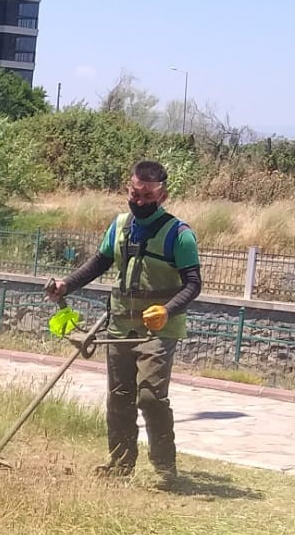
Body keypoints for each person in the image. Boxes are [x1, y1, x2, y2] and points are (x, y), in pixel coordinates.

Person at [45, 160, 203, 483]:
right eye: (135, 193)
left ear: (163, 195)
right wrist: (66, 285)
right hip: (119, 326)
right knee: (119, 396)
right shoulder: (119, 225)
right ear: (128, 189)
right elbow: (99, 263)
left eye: (148, 195)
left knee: (149, 396)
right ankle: (119, 464)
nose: (140, 201)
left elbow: (193, 284)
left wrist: (168, 310)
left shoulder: (180, 235)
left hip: (159, 329)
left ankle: (164, 467)